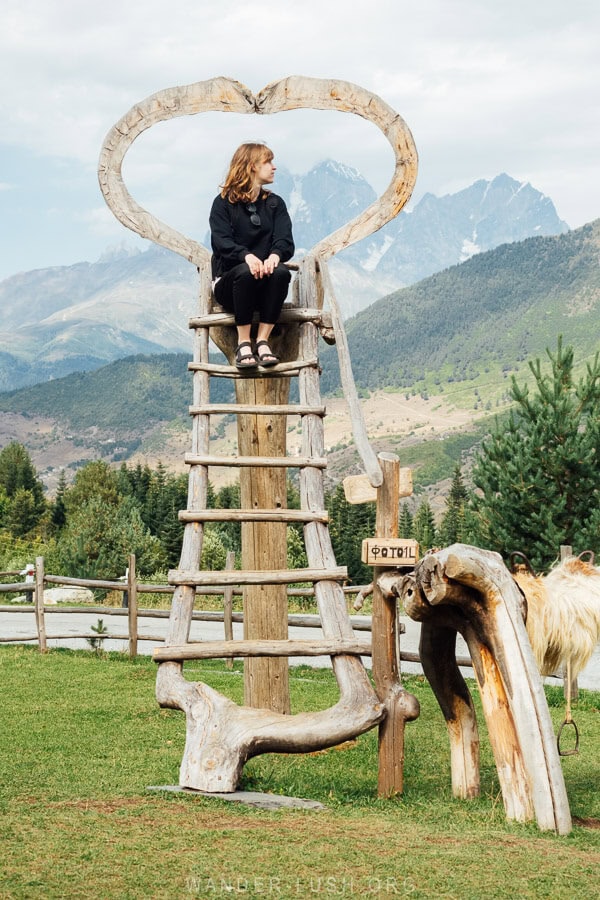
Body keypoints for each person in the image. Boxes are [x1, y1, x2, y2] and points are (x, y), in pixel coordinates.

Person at [209, 142, 295, 369]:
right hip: (230, 284)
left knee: (281, 273)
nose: (274, 167)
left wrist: (276, 255)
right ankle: (244, 343)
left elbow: (285, 240)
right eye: (267, 162)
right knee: (246, 273)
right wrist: (246, 256)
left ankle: (263, 341)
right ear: (251, 167)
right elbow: (221, 242)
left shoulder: (275, 204)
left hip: (263, 287)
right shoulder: (222, 204)